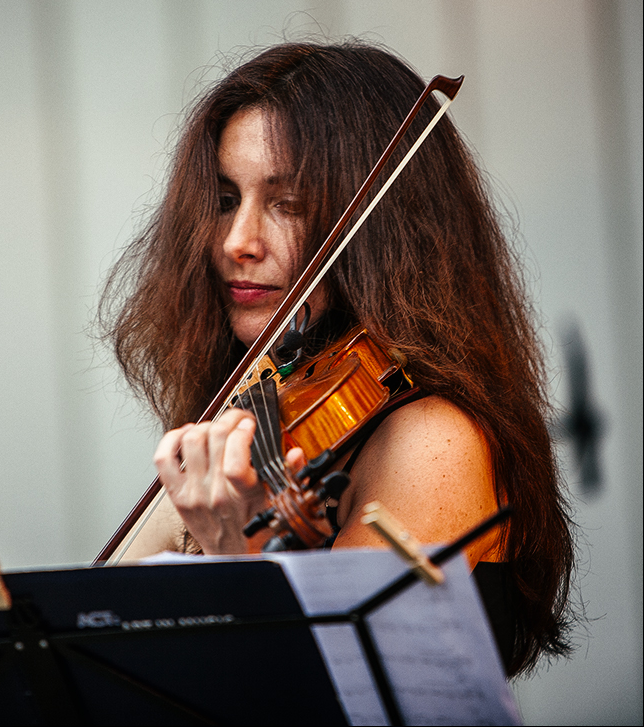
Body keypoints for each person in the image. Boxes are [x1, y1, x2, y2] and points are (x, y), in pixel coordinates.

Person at [98, 41, 574, 676]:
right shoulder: (273, 398)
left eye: (287, 203)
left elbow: (344, 694)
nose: (237, 242)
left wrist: (239, 555)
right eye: (224, 200)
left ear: (385, 229)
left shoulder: (431, 442)